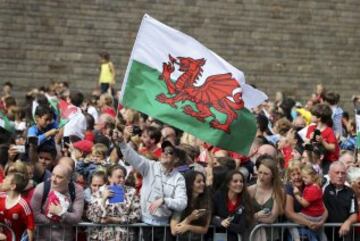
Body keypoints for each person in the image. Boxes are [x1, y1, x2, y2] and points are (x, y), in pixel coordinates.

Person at [114, 127, 187, 241]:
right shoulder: (150, 166)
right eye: (163, 151)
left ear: (176, 159)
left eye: (170, 152)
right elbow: (132, 157)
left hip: (164, 228)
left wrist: (164, 200)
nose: (165, 154)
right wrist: (122, 142)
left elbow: (182, 203)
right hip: (144, 225)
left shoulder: (179, 178)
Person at [86, 165, 141, 241]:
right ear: (109, 178)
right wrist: (103, 199)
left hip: (124, 237)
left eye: (123, 177)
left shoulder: (131, 192)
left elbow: (136, 216)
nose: (122, 180)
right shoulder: (99, 192)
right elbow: (91, 215)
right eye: (118, 177)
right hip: (102, 236)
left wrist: (114, 219)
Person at [30, 164, 84, 241]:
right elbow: (34, 214)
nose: (54, 179)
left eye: (59, 177)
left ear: (68, 180)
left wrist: (61, 213)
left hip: (65, 238)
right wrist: (53, 220)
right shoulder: (41, 188)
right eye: (53, 175)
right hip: (42, 237)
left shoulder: (77, 190)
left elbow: (77, 217)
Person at [285, 161, 328, 241]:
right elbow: (289, 214)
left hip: (314, 229)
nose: (297, 177)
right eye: (293, 175)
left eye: (299, 174)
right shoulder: (289, 188)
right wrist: (309, 223)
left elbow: (324, 209)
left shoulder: (310, 186)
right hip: (301, 230)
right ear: (289, 176)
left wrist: (321, 222)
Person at [248, 155, 285, 241]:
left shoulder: (278, 191)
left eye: (266, 174)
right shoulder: (251, 190)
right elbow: (245, 216)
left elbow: (272, 218)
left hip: (272, 236)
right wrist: (257, 215)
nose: (261, 176)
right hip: (252, 235)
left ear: (273, 175)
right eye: (260, 172)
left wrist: (254, 217)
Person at [212, 170, 254, 241]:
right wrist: (219, 221)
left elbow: (241, 227)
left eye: (241, 181)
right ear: (228, 184)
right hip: (218, 237)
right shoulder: (218, 196)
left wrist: (225, 223)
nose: (239, 184)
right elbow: (209, 216)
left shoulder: (245, 200)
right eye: (235, 181)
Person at [170, 171, 211, 240]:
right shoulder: (181, 202)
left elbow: (205, 229)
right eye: (199, 181)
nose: (203, 183)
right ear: (190, 184)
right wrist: (190, 218)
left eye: (203, 181)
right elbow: (174, 231)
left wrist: (188, 227)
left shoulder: (207, 202)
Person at [323, 161, 358, 241]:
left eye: (343, 173)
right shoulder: (323, 188)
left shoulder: (350, 192)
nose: (340, 176)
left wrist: (348, 222)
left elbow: (354, 214)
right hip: (324, 233)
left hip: (344, 235)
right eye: (337, 173)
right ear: (329, 173)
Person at [306, 103, 340, 174]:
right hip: (314, 159)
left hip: (328, 160)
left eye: (313, 115)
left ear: (319, 118)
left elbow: (333, 147)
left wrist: (322, 141)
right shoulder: (311, 128)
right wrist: (310, 140)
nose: (311, 116)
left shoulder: (329, 131)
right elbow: (306, 145)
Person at [0, 172, 34, 241]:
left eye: (6, 180)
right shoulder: (1, 197)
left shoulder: (23, 205)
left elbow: (30, 227)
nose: (3, 181)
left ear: (13, 186)